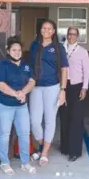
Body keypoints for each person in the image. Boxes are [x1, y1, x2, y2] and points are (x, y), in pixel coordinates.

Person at [0, 36, 36, 175]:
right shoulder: (2, 65)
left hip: (21, 105)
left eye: (19, 50)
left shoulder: (26, 65)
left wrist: (23, 92)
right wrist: (16, 94)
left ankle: (25, 162)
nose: (17, 52)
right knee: (5, 134)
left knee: (24, 133)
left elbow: (32, 81)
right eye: (14, 50)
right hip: (3, 103)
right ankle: (4, 163)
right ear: (8, 51)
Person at [29, 19, 68, 166]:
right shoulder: (34, 45)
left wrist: (63, 90)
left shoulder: (58, 48)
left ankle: (44, 151)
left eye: (49, 28)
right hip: (35, 87)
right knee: (34, 120)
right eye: (44, 28)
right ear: (40, 30)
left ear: (54, 31)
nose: (46, 31)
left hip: (53, 86)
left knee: (49, 120)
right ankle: (43, 144)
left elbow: (64, 69)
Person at [59, 27, 89, 162]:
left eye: (74, 34)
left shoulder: (82, 52)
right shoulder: (60, 49)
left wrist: (84, 88)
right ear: (67, 35)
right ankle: (65, 147)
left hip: (77, 86)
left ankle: (75, 151)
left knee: (76, 119)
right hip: (63, 86)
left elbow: (87, 71)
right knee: (64, 116)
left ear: (78, 36)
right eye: (69, 34)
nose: (71, 36)